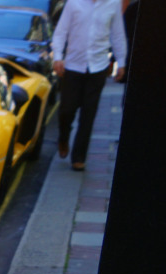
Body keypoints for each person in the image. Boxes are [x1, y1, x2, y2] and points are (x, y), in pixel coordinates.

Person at [52, 0, 127, 171]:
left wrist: (121, 63)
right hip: (73, 66)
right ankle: (63, 137)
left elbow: (117, 35)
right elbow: (61, 31)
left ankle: (78, 157)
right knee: (66, 110)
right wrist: (57, 57)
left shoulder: (112, 4)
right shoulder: (74, 3)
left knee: (89, 113)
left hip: (98, 67)